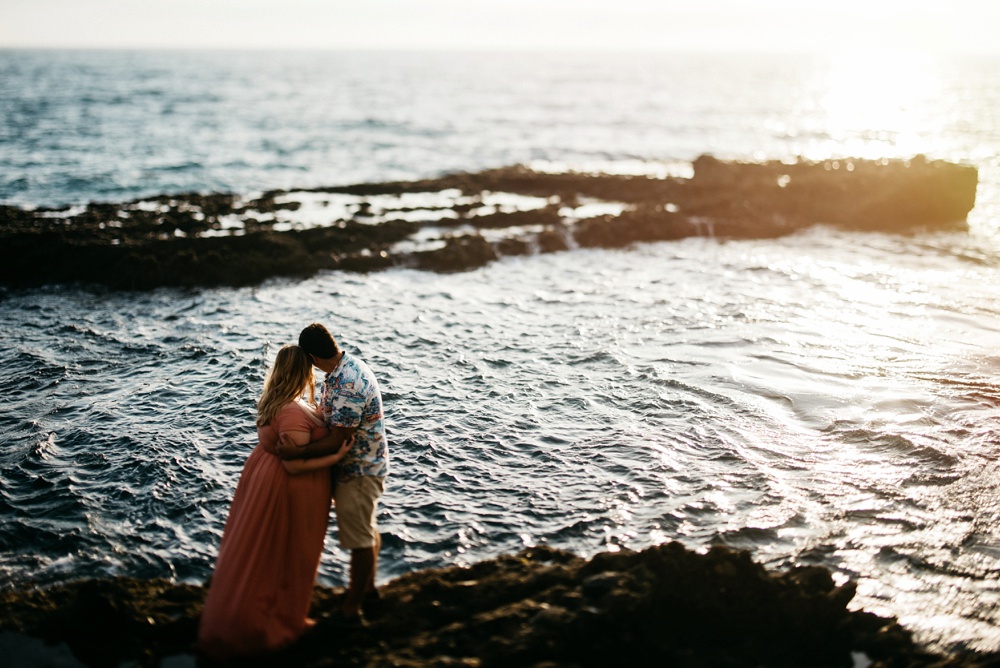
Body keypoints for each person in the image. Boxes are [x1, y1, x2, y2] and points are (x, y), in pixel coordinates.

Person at [198, 345, 353, 662]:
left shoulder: (276, 401)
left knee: (264, 551)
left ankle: (269, 614)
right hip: (287, 487)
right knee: (287, 553)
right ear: (302, 372)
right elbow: (293, 465)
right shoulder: (292, 411)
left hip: (263, 479)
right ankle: (274, 623)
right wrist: (336, 455)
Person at [278, 323, 388, 624]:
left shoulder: (348, 383)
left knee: (360, 538)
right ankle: (367, 589)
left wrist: (297, 452)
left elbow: (338, 439)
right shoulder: (343, 369)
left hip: (360, 470)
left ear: (312, 357)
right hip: (365, 464)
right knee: (366, 529)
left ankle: (353, 607)